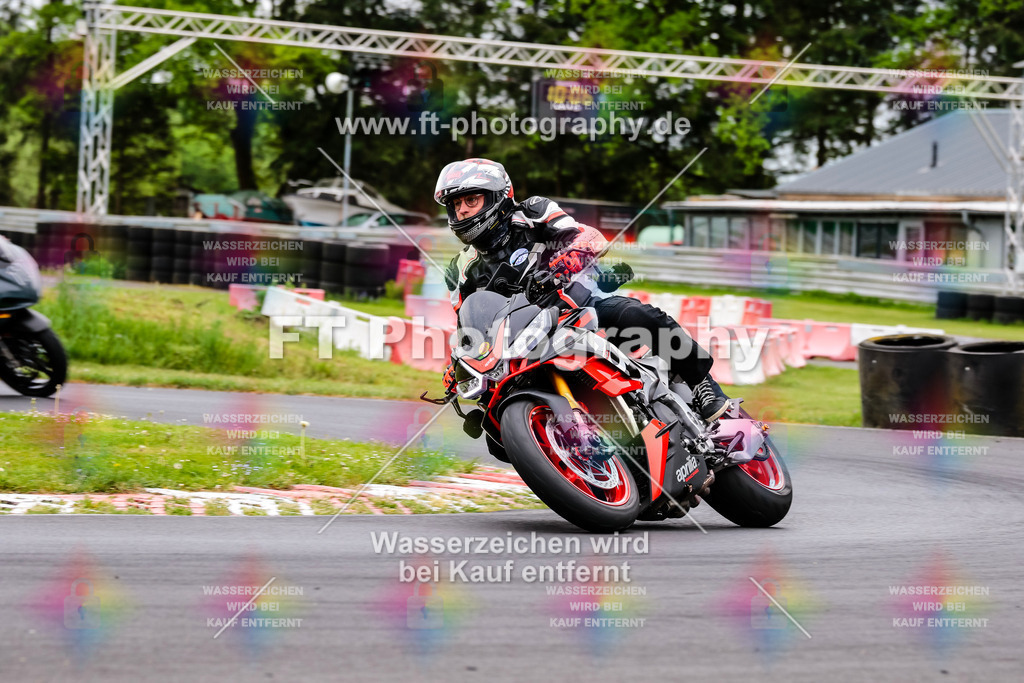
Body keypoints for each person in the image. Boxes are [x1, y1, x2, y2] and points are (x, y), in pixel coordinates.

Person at [435, 158, 728, 422]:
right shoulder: (460, 268)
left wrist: (563, 265)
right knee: (492, 420)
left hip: (577, 309)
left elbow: (588, 236)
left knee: (635, 314)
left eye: (471, 200)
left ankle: (702, 383)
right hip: (522, 343)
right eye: (456, 205)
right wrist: (458, 363)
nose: (462, 210)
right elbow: (467, 324)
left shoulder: (533, 211)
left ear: (498, 196)